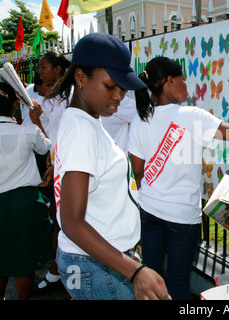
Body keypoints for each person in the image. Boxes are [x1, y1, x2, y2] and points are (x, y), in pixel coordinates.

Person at [128, 56, 229, 300]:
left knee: (150, 275)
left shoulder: (140, 120)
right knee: (178, 280)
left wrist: (155, 192)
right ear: (170, 81)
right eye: (183, 79)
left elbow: (138, 171)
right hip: (182, 217)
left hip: (149, 211)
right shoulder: (191, 116)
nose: (186, 84)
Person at [48, 33, 170, 300]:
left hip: (100, 260)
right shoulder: (82, 130)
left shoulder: (87, 120)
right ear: (80, 77)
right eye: (110, 86)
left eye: (122, 88)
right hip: (95, 265)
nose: (119, 96)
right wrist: (135, 271)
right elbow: (71, 221)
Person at [0, 82, 53, 300]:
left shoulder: (26, 132)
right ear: (15, 103)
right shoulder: (28, 131)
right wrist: (37, 119)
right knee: (25, 261)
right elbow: (46, 147)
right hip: (26, 204)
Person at [33, 51, 71, 295]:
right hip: (58, 166)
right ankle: (60, 271)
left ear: (58, 70)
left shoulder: (70, 97)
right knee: (61, 221)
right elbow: (52, 141)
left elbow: (62, 138)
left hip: (70, 168)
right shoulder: (56, 99)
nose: (39, 71)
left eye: (44, 67)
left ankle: (61, 271)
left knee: (66, 222)